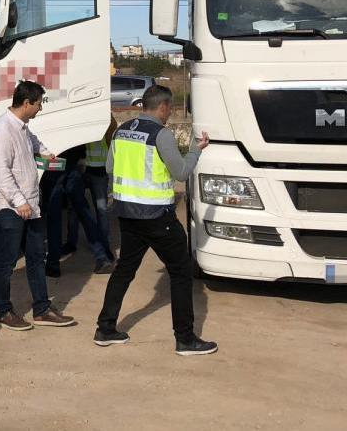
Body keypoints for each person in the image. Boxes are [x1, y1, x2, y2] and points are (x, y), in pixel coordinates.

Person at [94, 85, 218, 356]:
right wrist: (197, 151)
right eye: (169, 109)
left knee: (124, 269)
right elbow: (182, 172)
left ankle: (105, 328)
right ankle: (185, 339)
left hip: (127, 213)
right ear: (162, 107)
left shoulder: (122, 130)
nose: (170, 114)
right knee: (181, 271)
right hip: (156, 216)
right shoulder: (161, 134)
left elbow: (110, 168)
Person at [0, 80, 76, 331]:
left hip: (29, 206)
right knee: (7, 261)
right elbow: (1, 172)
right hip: (9, 208)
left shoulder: (22, 127)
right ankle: (2, 310)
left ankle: (42, 309)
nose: (40, 109)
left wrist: (46, 153)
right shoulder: (2, 130)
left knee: (36, 257)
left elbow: (34, 143)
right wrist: (19, 201)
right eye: (38, 104)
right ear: (26, 103)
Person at [45, 143, 114, 276]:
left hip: (53, 168)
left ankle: (53, 264)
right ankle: (102, 256)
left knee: (54, 217)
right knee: (84, 211)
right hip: (72, 166)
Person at [84, 118, 118, 250]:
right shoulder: (104, 116)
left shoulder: (105, 116)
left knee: (101, 208)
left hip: (96, 168)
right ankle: (102, 241)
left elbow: (110, 140)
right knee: (99, 208)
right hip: (88, 168)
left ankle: (103, 242)